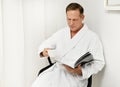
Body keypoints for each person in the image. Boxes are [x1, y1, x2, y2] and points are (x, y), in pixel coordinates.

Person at [32, 2, 105, 87]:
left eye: (74, 20)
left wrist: (79, 71)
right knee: (38, 84)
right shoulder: (62, 32)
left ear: (82, 17)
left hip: (75, 77)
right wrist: (45, 52)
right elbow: (43, 45)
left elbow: (99, 63)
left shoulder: (92, 37)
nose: (71, 23)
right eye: (68, 19)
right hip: (58, 70)